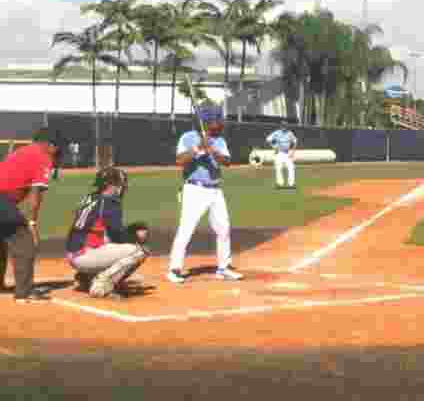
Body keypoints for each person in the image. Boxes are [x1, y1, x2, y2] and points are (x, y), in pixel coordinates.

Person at [167, 118, 244, 283]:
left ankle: (224, 268)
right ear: (208, 123)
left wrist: (213, 151)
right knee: (186, 228)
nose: (221, 125)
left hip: (215, 190)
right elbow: (179, 160)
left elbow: (227, 162)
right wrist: (198, 148)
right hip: (195, 189)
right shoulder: (188, 137)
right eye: (217, 122)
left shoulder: (220, 140)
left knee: (224, 228)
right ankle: (174, 269)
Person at [65, 167, 150, 299]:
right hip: (85, 255)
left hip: (73, 251)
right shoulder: (109, 201)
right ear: (111, 186)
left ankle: (86, 278)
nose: (122, 188)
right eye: (120, 185)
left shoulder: (90, 197)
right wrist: (136, 236)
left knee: (107, 238)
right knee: (140, 251)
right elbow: (117, 235)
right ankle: (101, 285)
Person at [0, 127, 62, 302]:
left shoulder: (24, 151)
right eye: (56, 146)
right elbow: (35, 195)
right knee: (24, 241)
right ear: (50, 145)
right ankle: (24, 293)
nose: (57, 151)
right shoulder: (43, 157)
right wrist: (32, 223)